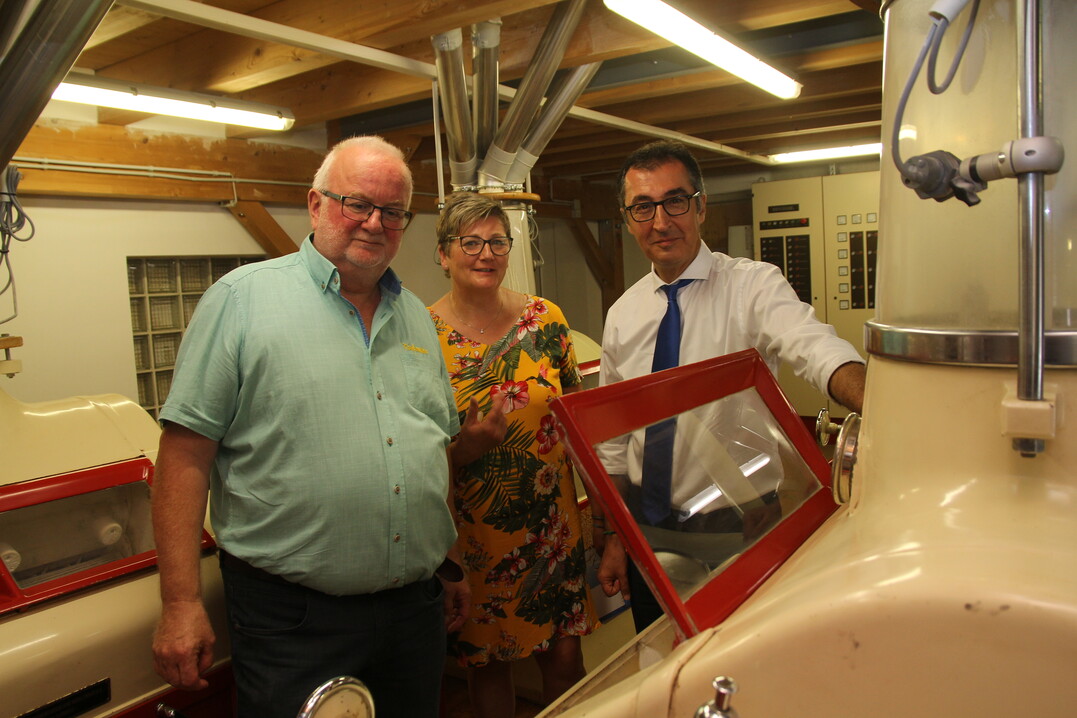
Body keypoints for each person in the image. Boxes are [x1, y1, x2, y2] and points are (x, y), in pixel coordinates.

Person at [150, 136, 502, 718]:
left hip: (414, 612)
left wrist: (449, 561)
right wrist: (181, 601)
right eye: (356, 203)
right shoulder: (241, 302)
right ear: (315, 205)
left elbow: (428, 452)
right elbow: (184, 457)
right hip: (294, 621)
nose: (373, 223)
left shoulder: (415, 315)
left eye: (392, 212)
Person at [595, 140, 867, 631]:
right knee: (662, 672)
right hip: (647, 532)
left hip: (738, 527)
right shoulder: (622, 315)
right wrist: (619, 537)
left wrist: (876, 399)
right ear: (627, 218)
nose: (661, 221)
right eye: (643, 207)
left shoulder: (753, 287)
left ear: (701, 205)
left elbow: (809, 342)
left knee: (737, 670)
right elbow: (617, 443)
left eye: (675, 201)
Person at [428, 192, 599, 718]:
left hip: (553, 529)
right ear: (443, 254)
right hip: (474, 535)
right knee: (488, 668)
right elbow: (412, 453)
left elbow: (578, 421)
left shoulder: (547, 320)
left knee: (567, 662)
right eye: (471, 242)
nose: (486, 254)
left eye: (497, 242)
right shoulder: (421, 333)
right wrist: (467, 448)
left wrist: (609, 523)